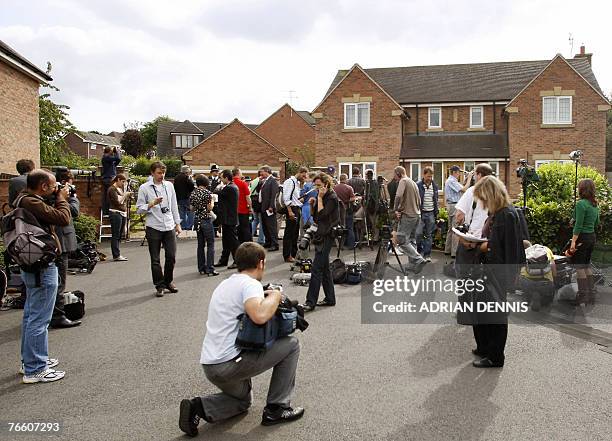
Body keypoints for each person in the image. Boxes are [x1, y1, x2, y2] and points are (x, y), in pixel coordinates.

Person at [179, 242, 304, 436]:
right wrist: (276, 295)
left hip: (211, 365)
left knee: (243, 402)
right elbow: (259, 316)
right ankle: (277, 408)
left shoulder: (225, 283)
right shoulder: (250, 284)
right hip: (229, 364)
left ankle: (198, 407)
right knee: (292, 344)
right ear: (261, 263)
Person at [16, 169, 71, 383]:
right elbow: (63, 218)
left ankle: (29, 361)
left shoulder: (22, 198)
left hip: (31, 264)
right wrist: (62, 199)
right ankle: (36, 368)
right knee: (40, 318)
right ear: (43, 186)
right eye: (53, 185)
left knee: (31, 315)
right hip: (41, 266)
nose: (55, 188)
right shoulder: (32, 202)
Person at [472, 176, 526, 368]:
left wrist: (484, 246)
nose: (483, 204)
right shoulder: (503, 213)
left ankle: (495, 356)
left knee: (495, 315)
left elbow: (508, 247)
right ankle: (486, 347)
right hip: (492, 270)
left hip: (498, 272)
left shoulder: (506, 215)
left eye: (484, 199)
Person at [136, 161, 182, 297]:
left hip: (169, 225)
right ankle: (159, 285)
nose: (162, 175)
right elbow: (139, 209)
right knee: (155, 259)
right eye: (159, 173)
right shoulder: (144, 188)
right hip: (153, 226)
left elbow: (174, 205)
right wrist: (151, 204)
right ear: (152, 173)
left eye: (163, 173)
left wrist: (177, 223)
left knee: (171, 256)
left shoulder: (169, 186)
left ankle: (168, 281)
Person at [302, 173, 340, 312]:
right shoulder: (323, 196)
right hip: (320, 233)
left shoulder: (332, 197)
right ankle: (330, 298)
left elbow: (323, 214)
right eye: (315, 185)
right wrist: (313, 205)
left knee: (316, 268)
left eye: (319, 185)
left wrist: (319, 198)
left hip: (327, 234)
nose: (317, 188)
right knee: (324, 268)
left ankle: (310, 302)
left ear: (326, 184)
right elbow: (316, 216)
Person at [51, 170, 82, 329]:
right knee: (59, 282)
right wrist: (72, 197)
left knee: (55, 282)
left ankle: (52, 314)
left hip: (55, 242)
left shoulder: (51, 194)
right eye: (71, 181)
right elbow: (74, 212)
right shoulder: (58, 195)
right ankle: (58, 316)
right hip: (59, 242)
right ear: (64, 182)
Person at [454, 164, 493, 276]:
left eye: (475, 174)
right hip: (488, 242)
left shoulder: (472, 191)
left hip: (471, 240)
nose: (474, 177)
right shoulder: (496, 193)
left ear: (479, 175)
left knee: (464, 276)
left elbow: (459, 215)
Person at [569, 178, 600, 306]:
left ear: (582, 190)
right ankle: (591, 295)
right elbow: (597, 223)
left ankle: (582, 297)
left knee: (579, 267)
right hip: (592, 237)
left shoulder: (581, 204)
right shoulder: (594, 204)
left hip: (582, 238)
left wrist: (573, 242)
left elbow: (578, 225)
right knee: (586, 265)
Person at [393, 166, 427, 273]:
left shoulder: (403, 181)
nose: (394, 178)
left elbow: (398, 196)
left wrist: (396, 209)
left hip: (407, 215)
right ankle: (413, 264)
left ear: (399, 173)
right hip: (417, 215)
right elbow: (420, 201)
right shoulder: (413, 182)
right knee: (411, 240)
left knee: (401, 239)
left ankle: (418, 259)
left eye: (395, 175)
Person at [190, 174, 219, 276]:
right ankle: (210, 268)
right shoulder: (207, 193)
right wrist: (212, 202)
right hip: (206, 219)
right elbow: (209, 208)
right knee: (210, 244)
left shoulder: (193, 193)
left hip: (197, 219)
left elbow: (191, 208)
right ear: (206, 182)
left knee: (200, 245)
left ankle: (201, 268)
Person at [444, 165, 472, 258]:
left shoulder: (452, 181)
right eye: (458, 172)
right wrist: (470, 178)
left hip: (451, 205)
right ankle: (454, 252)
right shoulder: (451, 181)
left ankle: (447, 250)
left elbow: (461, 187)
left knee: (450, 229)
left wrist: (466, 179)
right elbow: (464, 189)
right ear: (454, 172)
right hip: (454, 205)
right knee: (455, 229)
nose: (459, 174)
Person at [214, 169, 240, 269]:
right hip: (228, 218)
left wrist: (219, 186)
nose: (220, 179)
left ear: (226, 177)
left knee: (232, 241)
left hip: (229, 218)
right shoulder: (231, 187)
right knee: (226, 241)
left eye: (221, 177)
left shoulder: (229, 188)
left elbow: (216, 191)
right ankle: (223, 260)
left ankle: (237, 260)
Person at [282, 167, 308, 263]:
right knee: (289, 233)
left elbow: (295, 197)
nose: (304, 178)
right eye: (303, 175)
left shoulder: (297, 183)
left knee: (295, 233)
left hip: (296, 208)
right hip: (291, 208)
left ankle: (294, 253)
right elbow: (286, 198)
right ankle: (287, 255)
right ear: (299, 173)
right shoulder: (290, 182)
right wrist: (289, 211)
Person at [415, 167, 439, 262]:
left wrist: (436, 213)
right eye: (428, 176)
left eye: (431, 176)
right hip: (421, 213)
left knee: (429, 235)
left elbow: (436, 200)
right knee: (418, 234)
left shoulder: (435, 186)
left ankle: (427, 254)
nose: (430, 178)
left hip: (431, 213)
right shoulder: (418, 185)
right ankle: (418, 252)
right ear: (424, 175)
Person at [107, 174, 132, 262]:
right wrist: (125, 195)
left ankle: (117, 254)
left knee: (119, 235)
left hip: (121, 213)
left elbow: (122, 201)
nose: (123, 184)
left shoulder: (119, 189)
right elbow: (118, 202)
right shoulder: (112, 189)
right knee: (116, 235)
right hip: (115, 213)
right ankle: (116, 255)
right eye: (122, 181)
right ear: (118, 180)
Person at [259, 165, 279, 251]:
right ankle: (268, 242)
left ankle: (275, 244)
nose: (260, 173)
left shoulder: (272, 181)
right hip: (263, 207)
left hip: (269, 208)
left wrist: (271, 206)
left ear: (267, 171)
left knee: (271, 226)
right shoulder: (264, 181)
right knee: (265, 226)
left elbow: (274, 195)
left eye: (261, 171)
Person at [334, 173, 356, 248]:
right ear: (346, 179)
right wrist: (347, 200)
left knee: (339, 228)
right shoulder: (349, 188)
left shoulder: (334, 188)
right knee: (349, 227)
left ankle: (340, 245)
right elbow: (353, 198)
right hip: (347, 209)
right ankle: (351, 245)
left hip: (337, 210)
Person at [232, 168, 253, 244]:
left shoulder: (230, 183)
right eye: (241, 173)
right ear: (238, 173)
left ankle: (239, 243)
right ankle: (248, 244)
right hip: (243, 209)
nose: (242, 174)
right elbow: (248, 197)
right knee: (245, 228)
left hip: (233, 210)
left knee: (237, 228)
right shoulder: (243, 183)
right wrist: (250, 207)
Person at [101, 146, 121, 215]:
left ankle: (107, 211)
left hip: (109, 178)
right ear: (109, 151)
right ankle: (107, 211)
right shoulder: (106, 157)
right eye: (111, 151)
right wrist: (116, 151)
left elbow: (118, 160)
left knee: (109, 195)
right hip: (108, 179)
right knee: (109, 195)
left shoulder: (109, 159)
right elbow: (118, 158)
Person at [174, 165, 195, 231]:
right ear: (186, 172)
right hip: (187, 198)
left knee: (182, 212)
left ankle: (183, 226)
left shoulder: (176, 178)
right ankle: (189, 226)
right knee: (191, 211)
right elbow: (192, 185)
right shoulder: (187, 177)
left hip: (179, 198)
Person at [250, 171, 266, 245]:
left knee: (255, 220)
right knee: (262, 222)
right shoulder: (262, 181)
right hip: (259, 203)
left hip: (253, 202)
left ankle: (249, 236)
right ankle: (261, 239)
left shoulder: (253, 181)